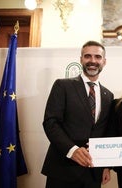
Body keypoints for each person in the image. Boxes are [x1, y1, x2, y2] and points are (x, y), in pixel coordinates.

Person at [41, 41, 114, 188]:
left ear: (104, 62)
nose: (93, 61)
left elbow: (107, 132)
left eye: (97, 57)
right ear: (81, 59)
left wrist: (107, 165)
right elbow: (51, 122)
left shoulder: (109, 95)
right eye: (88, 56)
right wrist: (72, 150)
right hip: (63, 169)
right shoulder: (62, 86)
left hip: (93, 171)